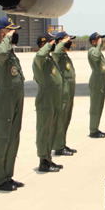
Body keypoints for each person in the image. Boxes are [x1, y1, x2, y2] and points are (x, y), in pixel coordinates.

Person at [0, 17, 25, 191]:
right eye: (12, 31)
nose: (15, 34)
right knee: (3, 139)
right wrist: (6, 38)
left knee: (13, 138)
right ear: (3, 34)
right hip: (4, 100)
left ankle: (7, 176)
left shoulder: (10, 53)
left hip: (14, 98)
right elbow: (1, 53)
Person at [33, 33, 67, 172]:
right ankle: (43, 161)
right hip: (45, 99)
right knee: (44, 130)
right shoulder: (39, 59)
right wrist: (50, 44)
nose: (52, 45)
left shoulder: (49, 59)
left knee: (52, 128)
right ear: (43, 44)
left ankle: (48, 158)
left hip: (54, 99)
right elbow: (40, 55)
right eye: (49, 42)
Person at [51, 30, 78, 156]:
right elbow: (55, 51)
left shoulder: (65, 55)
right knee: (61, 118)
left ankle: (62, 143)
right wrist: (61, 43)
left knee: (66, 117)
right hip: (64, 91)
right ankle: (58, 146)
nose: (69, 43)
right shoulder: (58, 54)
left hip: (69, 91)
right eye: (67, 41)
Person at [87, 32, 105, 138]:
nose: (101, 41)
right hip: (96, 82)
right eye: (99, 40)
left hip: (101, 82)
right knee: (95, 107)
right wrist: (99, 45)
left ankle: (96, 128)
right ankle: (93, 130)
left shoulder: (97, 50)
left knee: (99, 106)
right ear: (93, 42)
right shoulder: (92, 51)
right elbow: (95, 57)